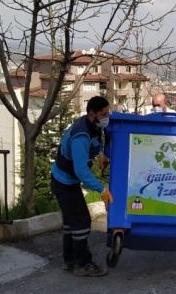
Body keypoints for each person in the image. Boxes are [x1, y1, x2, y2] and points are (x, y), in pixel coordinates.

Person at [50, 96, 113, 277]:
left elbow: (95, 142)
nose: (106, 117)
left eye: (107, 112)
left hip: (66, 181)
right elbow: (81, 172)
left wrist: (101, 154)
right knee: (82, 222)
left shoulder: (92, 125)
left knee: (72, 223)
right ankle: (83, 264)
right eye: (103, 114)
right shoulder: (81, 135)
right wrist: (102, 190)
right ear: (92, 114)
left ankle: (70, 262)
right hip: (64, 182)